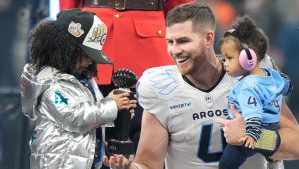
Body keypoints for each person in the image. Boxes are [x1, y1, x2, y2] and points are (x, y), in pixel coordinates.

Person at [103, 2, 299, 169]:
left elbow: (296, 144)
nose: (175, 50)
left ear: (208, 38)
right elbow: (148, 164)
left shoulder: (249, 75)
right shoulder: (160, 87)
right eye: (170, 42)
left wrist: (254, 137)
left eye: (183, 41)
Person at [59, 0, 195, 155]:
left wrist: (185, 39)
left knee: (150, 142)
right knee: (87, 141)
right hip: (92, 38)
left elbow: (181, 8)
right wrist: (68, 34)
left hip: (148, 45)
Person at [20, 9, 137, 169]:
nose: (90, 61)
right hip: (59, 164)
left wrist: (120, 109)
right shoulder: (50, 84)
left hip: (86, 162)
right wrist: (111, 104)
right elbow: (74, 116)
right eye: (86, 54)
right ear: (66, 49)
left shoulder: (84, 78)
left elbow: (93, 113)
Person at [218, 15, 293, 169]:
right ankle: (271, 155)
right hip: (272, 128)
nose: (224, 62)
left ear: (248, 59)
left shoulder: (247, 86)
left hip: (250, 133)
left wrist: (251, 135)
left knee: (225, 164)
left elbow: (253, 114)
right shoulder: (272, 74)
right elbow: (287, 86)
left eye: (229, 58)